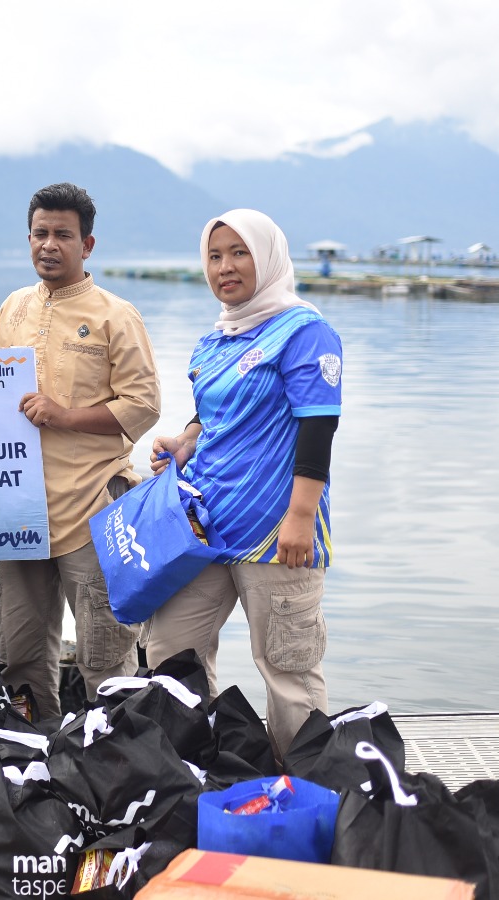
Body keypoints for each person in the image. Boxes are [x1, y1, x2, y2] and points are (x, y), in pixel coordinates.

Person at [145, 208, 342, 756]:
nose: (225, 267)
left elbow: (317, 427)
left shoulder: (305, 332)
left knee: (288, 673)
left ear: (269, 258)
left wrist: (300, 517)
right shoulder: (215, 340)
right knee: (170, 654)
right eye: (214, 256)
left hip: (277, 536)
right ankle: (194, 774)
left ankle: (304, 794)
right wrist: (184, 442)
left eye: (239, 253)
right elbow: (211, 417)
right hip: (203, 530)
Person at [0, 182, 160, 719]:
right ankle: (34, 762)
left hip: (93, 510)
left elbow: (144, 405)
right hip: (21, 512)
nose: (49, 245)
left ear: (88, 245)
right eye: (40, 233)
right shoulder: (13, 308)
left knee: (106, 656)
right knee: (22, 657)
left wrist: (64, 416)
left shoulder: (115, 314)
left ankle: (114, 765)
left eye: (63, 234)